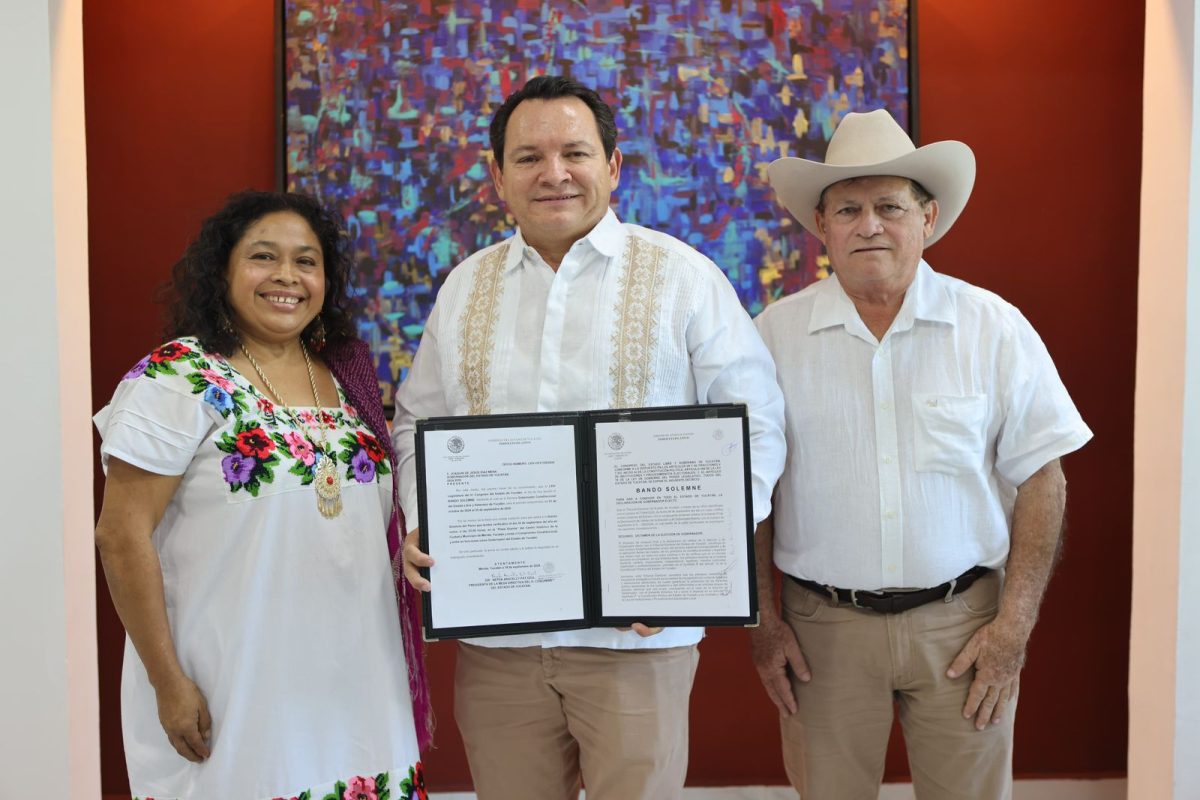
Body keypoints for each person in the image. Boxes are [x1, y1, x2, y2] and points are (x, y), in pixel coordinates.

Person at [392, 75, 787, 800]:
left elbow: (755, 425)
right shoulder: (463, 289)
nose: (553, 174)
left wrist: (690, 564)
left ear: (612, 165)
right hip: (499, 641)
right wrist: (427, 517)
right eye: (528, 157)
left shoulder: (684, 278)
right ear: (496, 175)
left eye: (575, 152)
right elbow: (417, 423)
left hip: (637, 639)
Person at [749, 109, 1093, 799]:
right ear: (822, 226)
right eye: (847, 208)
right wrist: (763, 622)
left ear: (927, 218)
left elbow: (1043, 479)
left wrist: (1013, 628)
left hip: (964, 627)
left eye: (889, 206)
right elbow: (745, 489)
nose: (868, 224)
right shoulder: (771, 337)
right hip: (823, 636)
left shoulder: (992, 328)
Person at [93, 191, 431, 800]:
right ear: (223, 271)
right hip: (232, 688)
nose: (286, 277)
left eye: (307, 261)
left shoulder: (344, 374)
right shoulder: (180, 376)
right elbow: (120, 536)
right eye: (263, 257)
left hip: (358, 689)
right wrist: (167, 681)